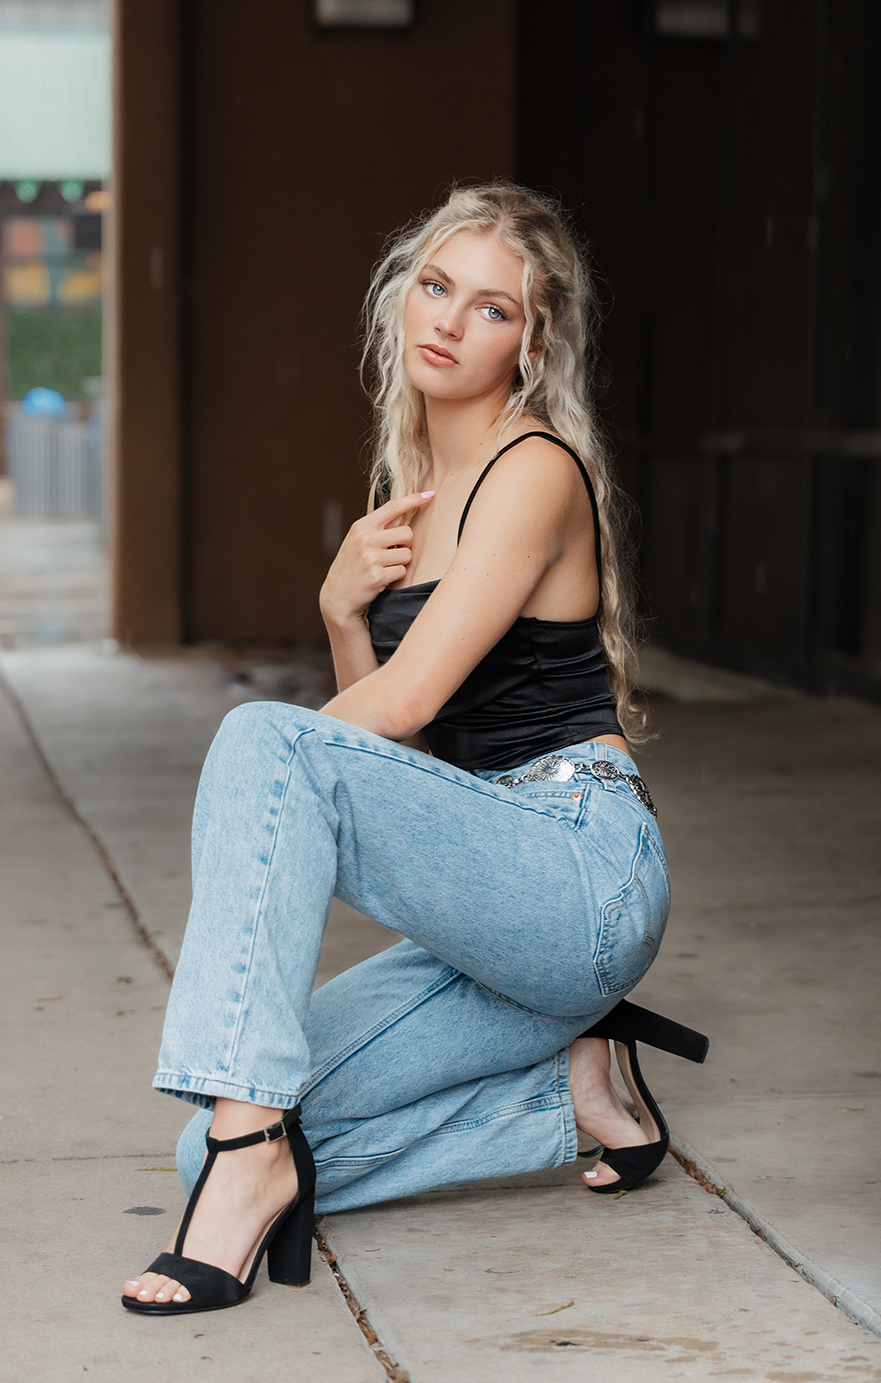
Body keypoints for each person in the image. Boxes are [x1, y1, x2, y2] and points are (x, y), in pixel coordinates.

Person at [122, 183, 706, 1318]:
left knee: (261, 741)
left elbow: (400, 707)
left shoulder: (532, 470)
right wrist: (342, 612)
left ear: (531, 345)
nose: (448, 319)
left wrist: (258, 773)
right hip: (486, 908)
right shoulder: (412, 496)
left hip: (578, 875)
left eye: (491, 307)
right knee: (215, 1138)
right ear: (400, 296)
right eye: (435, 286)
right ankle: (568, 1092)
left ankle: (250, 1163)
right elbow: (409, 765)